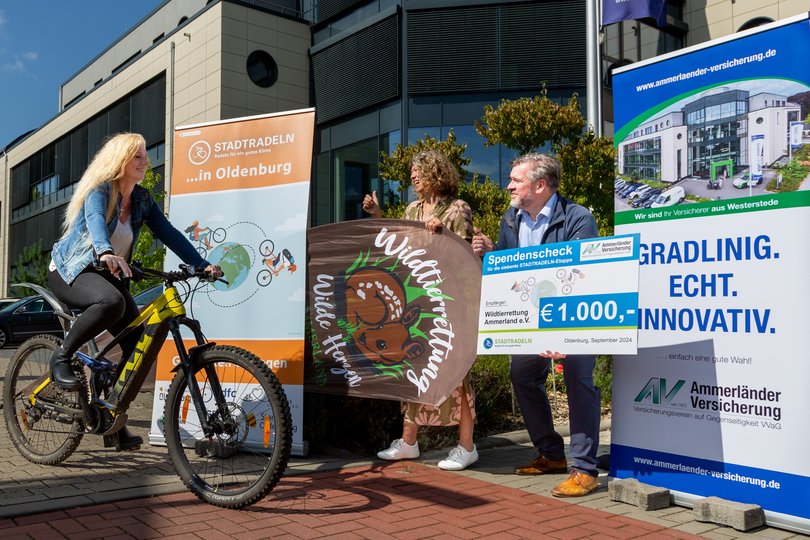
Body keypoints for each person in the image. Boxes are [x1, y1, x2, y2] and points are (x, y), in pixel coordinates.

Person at [48, 133, 222, 451]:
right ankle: (61, 356)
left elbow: (168, 233)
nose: (145, 161)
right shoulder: (101, 190)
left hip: (108, 276)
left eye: (145, 156)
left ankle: (112, 418)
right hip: (71, 271)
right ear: (121, 160)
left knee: (137, 347)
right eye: (138, 156)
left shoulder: (142, 199)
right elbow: (95, 221)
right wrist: (104, 252)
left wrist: (201, 264)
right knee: (111, 302)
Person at [471, 153, 601, 497]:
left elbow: (583, 276)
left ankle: (585, 470)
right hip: (531, 321)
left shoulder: (578, 218)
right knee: (523, 375)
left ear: (540, 185)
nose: (509, 185)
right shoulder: (510, 219)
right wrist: (489, 252)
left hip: (574, 320)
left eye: (516, 179)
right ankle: (550, 454)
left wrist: (562, 333)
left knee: (578, 379)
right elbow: (509, 270)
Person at [363, 149, 478, 471]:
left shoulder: (457, 209)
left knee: (456, 375)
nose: (412, 177)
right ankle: (409, 442)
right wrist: (377, 215)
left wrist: (441, 235)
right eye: (412, 173)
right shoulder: (413, 208)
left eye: (417, 172)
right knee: (415, 371)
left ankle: (467, 446)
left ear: (434, 173)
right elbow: (398, 243)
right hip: (417, 301)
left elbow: (466, 254)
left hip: (450, 302)